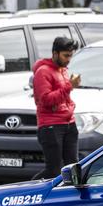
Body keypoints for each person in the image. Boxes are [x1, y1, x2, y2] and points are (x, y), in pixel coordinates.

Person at [32, 37, 81, 179]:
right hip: (51, 126)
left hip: (69, 123)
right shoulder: (43, 72)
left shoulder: (63, 70)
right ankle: (30, 191)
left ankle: (70, 199)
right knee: (54, 170)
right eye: (66, 55)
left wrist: (70, 105)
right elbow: (46, 100)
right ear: (55, 53)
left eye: (70, 56)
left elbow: (64, 97)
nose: (68, 59)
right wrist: (69, 86)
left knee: (73, 168)